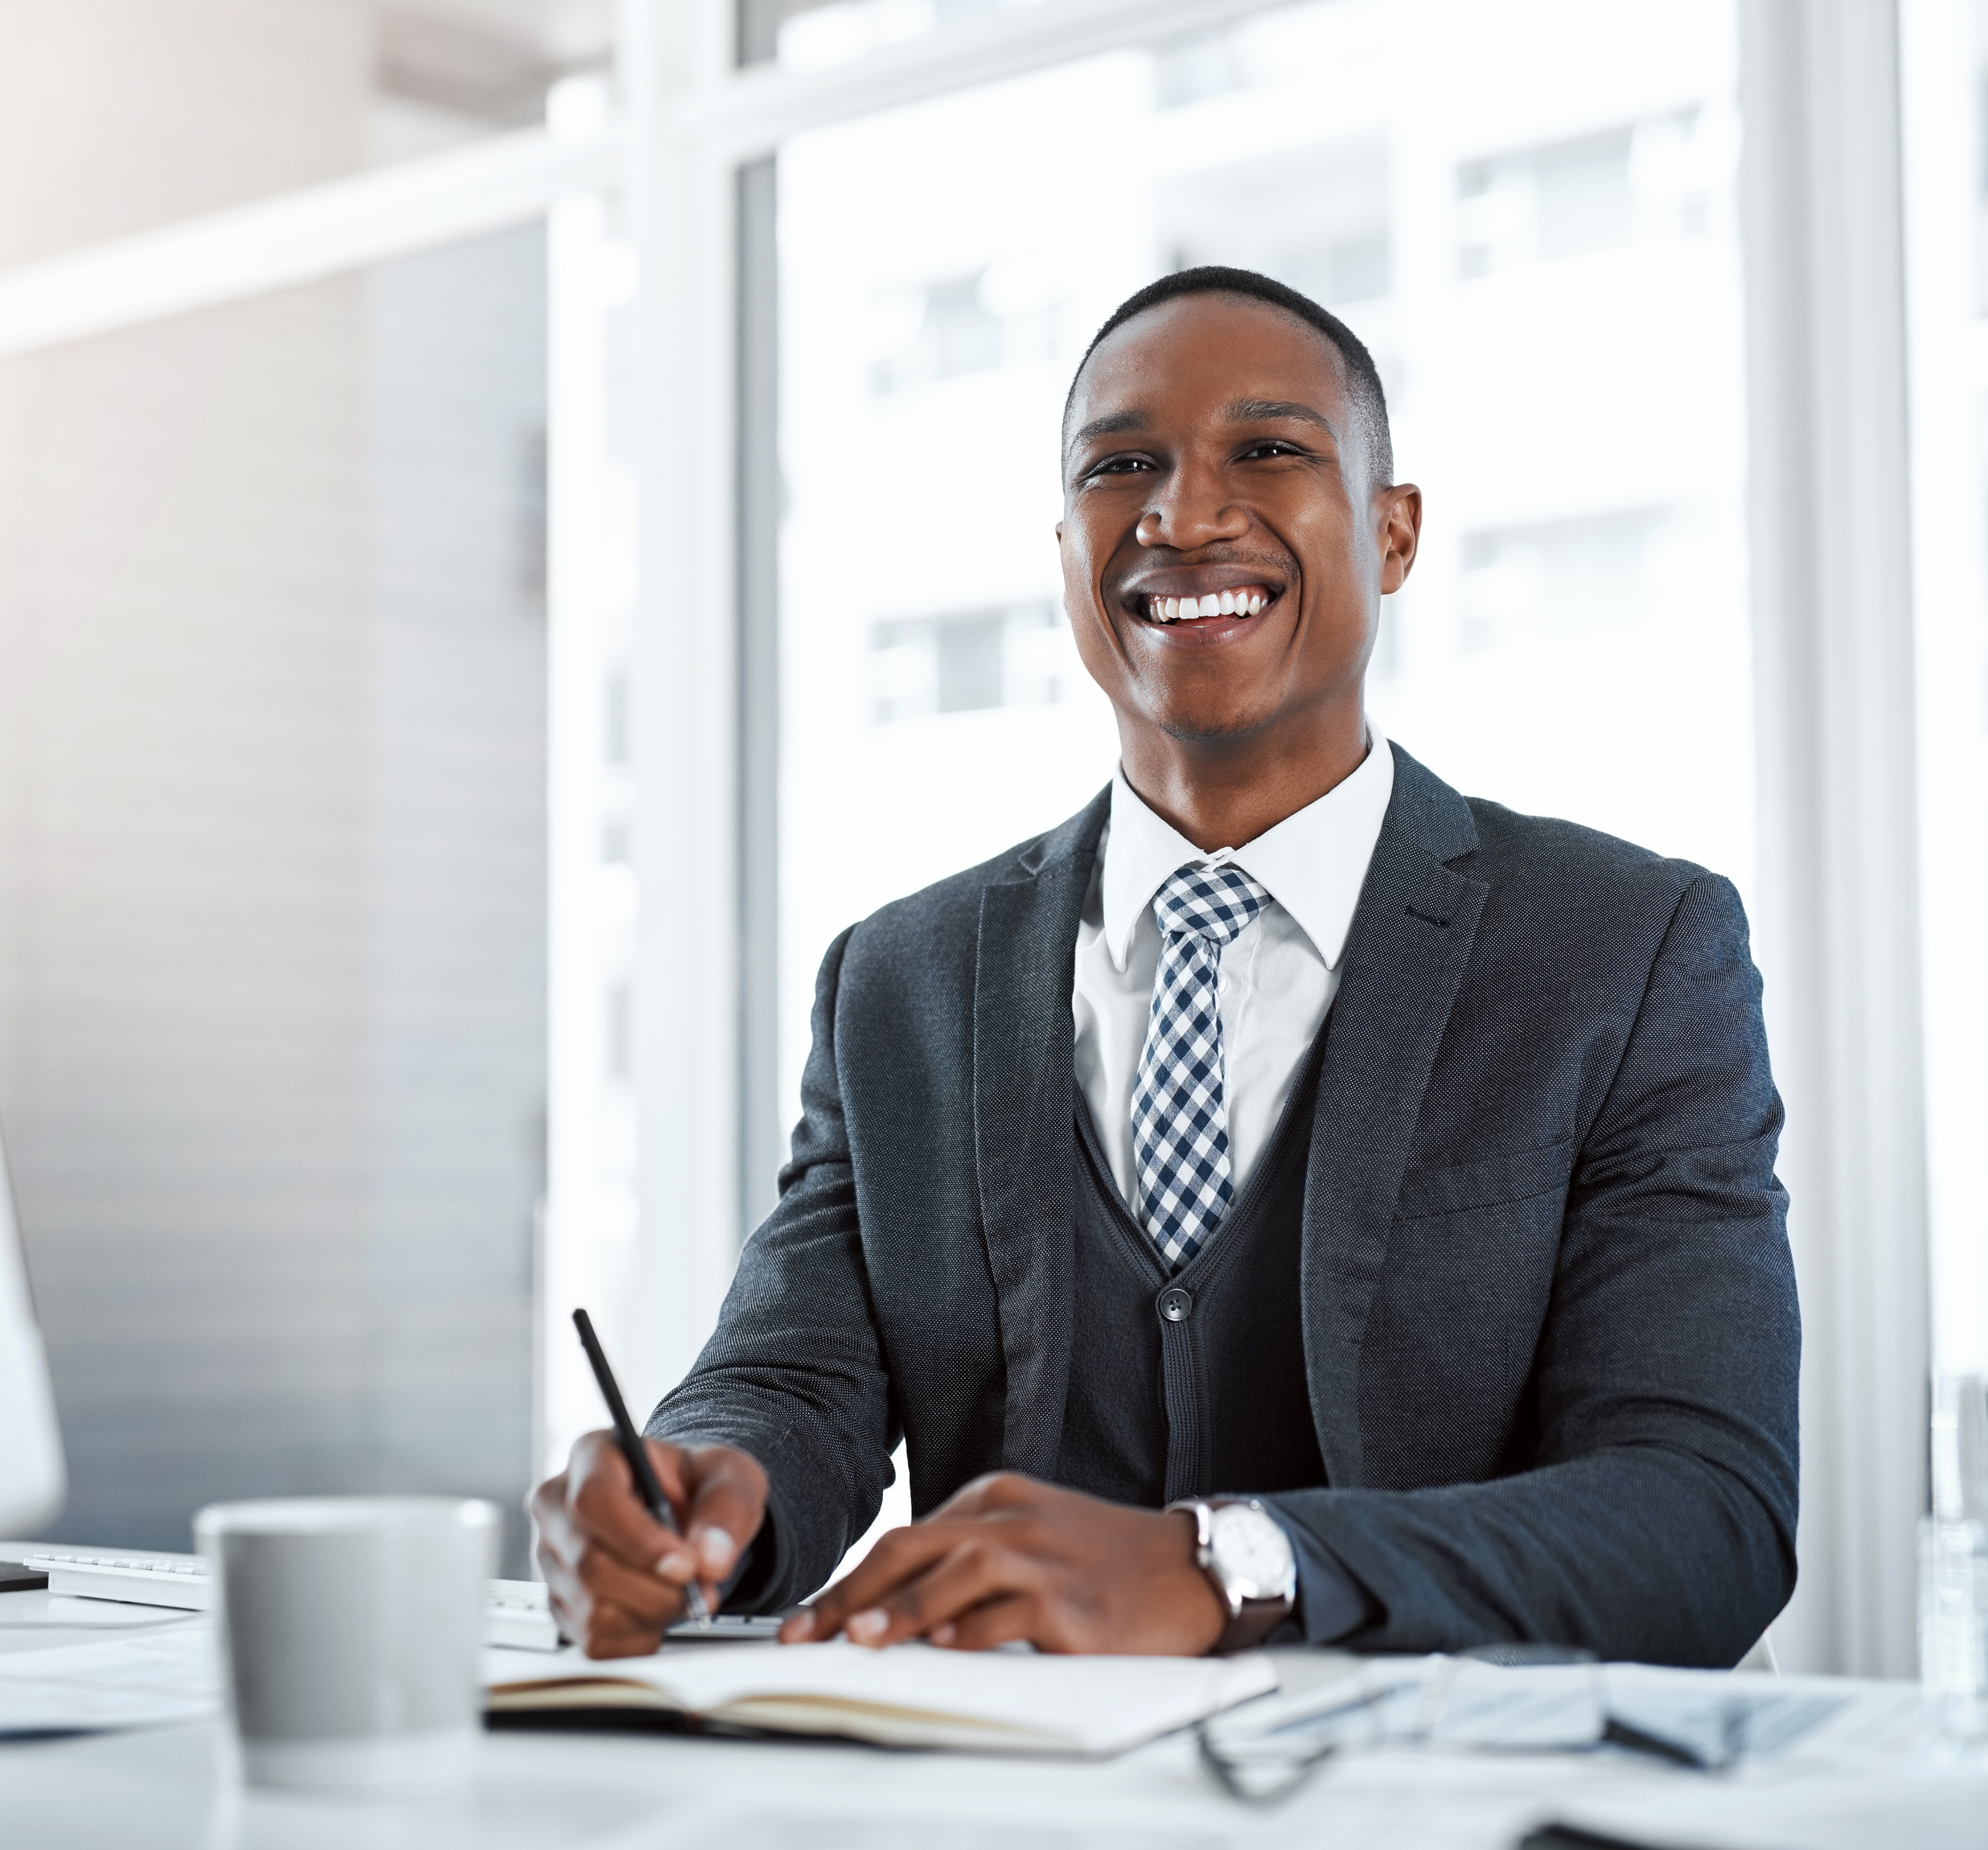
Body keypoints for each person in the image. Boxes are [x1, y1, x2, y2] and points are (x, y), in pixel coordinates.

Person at [532, 265, 1799, 1666]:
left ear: (1392, 533)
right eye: (1120, 466)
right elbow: (792, 1377)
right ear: (1064, 546)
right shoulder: (897, 977)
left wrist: (1223, 1566)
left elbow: (1704, 1516)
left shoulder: (1625, 948)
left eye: (1266, 450)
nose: (1181, 516)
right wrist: (704, 1496)